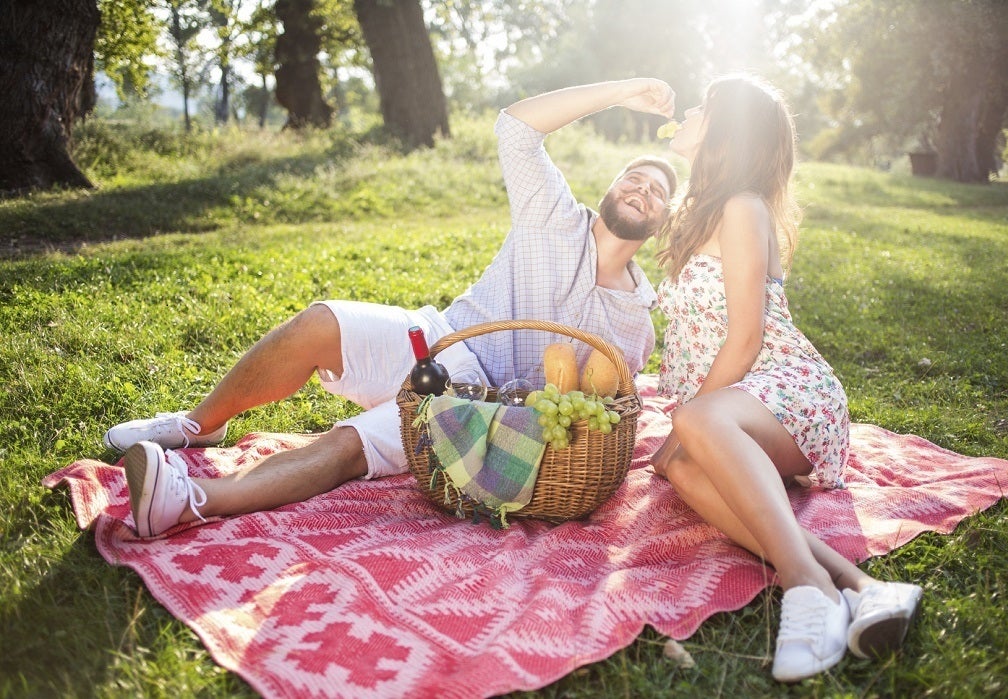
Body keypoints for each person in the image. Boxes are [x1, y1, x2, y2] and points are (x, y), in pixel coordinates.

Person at [106, 79, 679, 539]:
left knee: (346, 448)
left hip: (483, 413)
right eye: (635, 177)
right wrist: (623, 91)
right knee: (319, 322)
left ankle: (186, 502)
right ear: (608, 188)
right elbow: (517, 125)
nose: (643, 190)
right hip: (442, 338)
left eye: (658, 192)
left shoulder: (635, 319)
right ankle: (199, 426)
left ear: (662, 222)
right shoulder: (551, 213)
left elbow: (602, 402)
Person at [649, 74, 922, 683]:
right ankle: (861, 586)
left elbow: (746, 340)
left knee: (691, 431)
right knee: (686, 469)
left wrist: (685, 422)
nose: (689, 111)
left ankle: (806, 589)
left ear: (726, 131)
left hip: (790, 390)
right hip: (739, 403)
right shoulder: (701, 212)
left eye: (703, 105)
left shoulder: (742, 208)